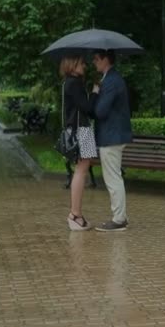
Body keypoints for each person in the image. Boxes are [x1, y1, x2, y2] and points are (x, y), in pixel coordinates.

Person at [91, 49, 133, 232]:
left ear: (106, 59)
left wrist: (95, 93)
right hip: (113, 135)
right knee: (114, 177)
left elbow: (100, 111)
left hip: (111, 136)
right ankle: (120, 216)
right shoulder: (111, 79)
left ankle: (119, 219)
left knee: (113, 178)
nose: (94, 62)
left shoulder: (111, 81)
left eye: (97, 59)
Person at [60, 56, 98, 231]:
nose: (85, 65)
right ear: (73, 64)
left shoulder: (70, 82)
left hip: (78, 130)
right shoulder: (74, 83)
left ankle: (76, 215)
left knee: (82, 169)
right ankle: (75, 215)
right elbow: (88, 109)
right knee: (81, 171)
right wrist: (95, 93)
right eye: (82, 63)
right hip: (81, 130)